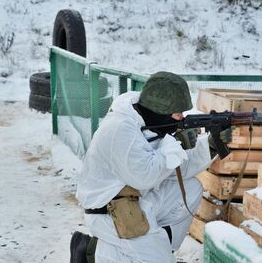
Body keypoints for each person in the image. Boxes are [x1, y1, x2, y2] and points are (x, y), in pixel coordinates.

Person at [72, 71, 212, 263]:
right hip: (112, 212)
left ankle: (153, 248)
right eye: (178, 113)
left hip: (139, 200)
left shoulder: (148, 123)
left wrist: (211, 147)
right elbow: (145, 176)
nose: (181, 118)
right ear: (160, 109)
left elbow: (175, 169)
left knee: (191, 188)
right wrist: (172, 145)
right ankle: (93, 253)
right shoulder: (120, 128)